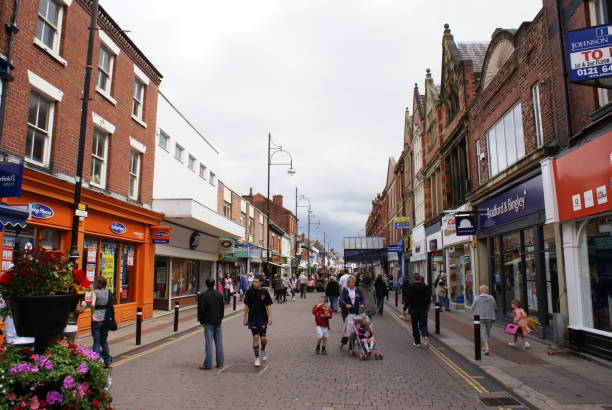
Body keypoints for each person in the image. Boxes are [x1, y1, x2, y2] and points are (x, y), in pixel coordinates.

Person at [243, 275, 273, 367]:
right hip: (252, 318)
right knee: (255, 337)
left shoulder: (264, 292)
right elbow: (246, 306)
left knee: (263, 338)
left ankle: (263, 349)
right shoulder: (249, 292)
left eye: (256, 281)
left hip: (262, 318)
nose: (254, 283)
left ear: (260, 282)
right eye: (253, 281)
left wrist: (270, 317)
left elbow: (269, 306)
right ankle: (257, 358)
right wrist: (245, 318)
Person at [197, 278, 225, 370]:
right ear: (214, 284)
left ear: (206, 284)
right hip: (217, 321)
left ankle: (208, 364)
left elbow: (201, 310)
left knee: (208, 344)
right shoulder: (219, 294)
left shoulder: (203, 296)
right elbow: (222, 308)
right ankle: (220, 363)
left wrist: (201, 320)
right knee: (219, 343)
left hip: (208, 322)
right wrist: (220, 318)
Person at [90, 277, 113, 368]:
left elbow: (92, 304)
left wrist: (92, 315)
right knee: (104, 341)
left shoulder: (94, 292)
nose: (93, 283)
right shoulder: (108, 291)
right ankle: (107, 362)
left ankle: (96, 363)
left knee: (96, 341)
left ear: (98, 283)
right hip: (106, 319)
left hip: (97, 319)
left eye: (94, 282)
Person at [405, 274, 430, 347]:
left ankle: (417, 342)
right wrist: (427, 305)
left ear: (413, 278)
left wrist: (404, 308)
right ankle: (425, 335)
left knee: (415, 325)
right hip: (423, 308)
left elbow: (408, 299)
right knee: (423, 324)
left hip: (414, 309)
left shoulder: (411, 286)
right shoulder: (425, 286)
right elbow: (428, 297)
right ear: (419, 278)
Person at [339, 275, 364, 348]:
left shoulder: (357, 289)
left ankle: (351, 347)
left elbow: (362, 298)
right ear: (348, 283)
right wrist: (346, 304)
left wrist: (362, 304)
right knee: (348, 328)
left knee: (354, 329)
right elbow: (341, 299)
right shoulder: (345, 289)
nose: (353, 284)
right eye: (351, 283)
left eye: (354, 282)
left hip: (355, 311)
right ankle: (343, 342)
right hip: (346, 311)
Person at [471, 285, 496, 355]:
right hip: (490, 317)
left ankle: (487, 347)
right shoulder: (492, 298)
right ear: (487, 291)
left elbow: (472, 307)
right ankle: (485, 346)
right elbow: (495, 307)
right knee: (487, 332)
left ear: (480, 290)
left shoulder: (477, 297)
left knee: (483, 332)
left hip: (480, 317)